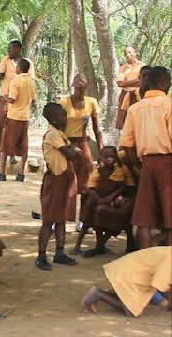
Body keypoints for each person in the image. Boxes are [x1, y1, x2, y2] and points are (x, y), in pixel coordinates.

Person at [119, 66, 172, 248]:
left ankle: (145, 261)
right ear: (164, 83)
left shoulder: (135, 109)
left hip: (146, 163)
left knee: (144, 219)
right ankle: (167, 265)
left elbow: (127, 145)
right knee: (170, 216)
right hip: (167, 162)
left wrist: (138, 167)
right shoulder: (169, 104)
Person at [36, 103, 80, 271]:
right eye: (63, 115)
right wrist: (72, 150)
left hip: (64, 180)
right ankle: (41, 255)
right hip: (55, 180)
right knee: (48, 221)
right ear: (54, 119)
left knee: (61, 219)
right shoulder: (52, 134)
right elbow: (71, 153)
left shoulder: (60, 134)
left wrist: (72, 149)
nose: (66, 118)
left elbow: (71, 151)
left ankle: (59, 253)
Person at [72, 146, 137, 257]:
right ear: (101, 158)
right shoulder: (99, 171)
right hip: (96, 200)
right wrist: (101, 200)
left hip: (113, 198)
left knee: (116, 219)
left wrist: (111, 197)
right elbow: (90, 188)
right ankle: (82, 247)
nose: (110, 159)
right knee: (90, 222)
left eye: (112, 157)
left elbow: (122, 186)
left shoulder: (119, 170)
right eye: (106, 157)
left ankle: (101, 245)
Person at [59, 74, 103, 226]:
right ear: (72, 83)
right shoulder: (64, 102)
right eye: (77, 78)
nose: (79, 81)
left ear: (87, 84)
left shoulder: (92, 102)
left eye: (83, 79)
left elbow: (97, 129)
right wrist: (63, 146)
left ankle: (83, 220)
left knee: (86, 182)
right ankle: (61, 218)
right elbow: (58, 126)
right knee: (65, 181)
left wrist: (101, 149)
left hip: (83, 143)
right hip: (67, 143)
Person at [82, 246, 171, 317]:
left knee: (131, 299)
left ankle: (100, 294)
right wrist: (165, 302)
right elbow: (160, 282)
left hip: (131, 271)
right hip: (130, 274)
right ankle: (98, 294)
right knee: (131, 310)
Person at [0, 40, 36, 162]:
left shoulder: (27, 63)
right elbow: (1, 75)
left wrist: (31, 101)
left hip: (20, 100)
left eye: (11, 49)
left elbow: (31, 81)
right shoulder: (5, 60)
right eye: (8, 49)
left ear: (18, 49)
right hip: (5, 97)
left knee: (15, 127)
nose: (9, 51)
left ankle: (12, 154)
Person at [0, 58, 36, 182]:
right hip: (25, 118)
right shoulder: (31, 82)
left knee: (5, 145)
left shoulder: (15, 81)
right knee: (23, 145)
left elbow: (12, 99)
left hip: (14, 116)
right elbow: (33, 100)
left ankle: (2, 173)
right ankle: (21, 174)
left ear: (19, 68)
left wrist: (5, 98)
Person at [115, 46, 145, 130]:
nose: (127, 55)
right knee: (124, 121)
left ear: (135, 53)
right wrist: (136, 80)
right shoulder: (123, 68)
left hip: (139, 95)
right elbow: (120, 83)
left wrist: (127, 83)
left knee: (139, 119)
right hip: (125, 95)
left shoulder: (142, 66)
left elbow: (143, 82)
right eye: (125, 53)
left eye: (129, 52)